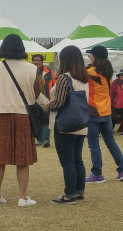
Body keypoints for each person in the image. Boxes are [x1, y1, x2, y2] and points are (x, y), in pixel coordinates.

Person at [0, 34, 41, 207]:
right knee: (23, 158)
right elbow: (36, 93)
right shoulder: (32, 69)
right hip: (23, 115)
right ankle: (23, 197)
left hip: (1, 114)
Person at [46, 45, 90, 204]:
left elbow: (59, 102)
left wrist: (47, 106)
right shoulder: (84, 77)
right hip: (81, 123)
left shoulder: (65, 77)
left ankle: (69, 194)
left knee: (68, 161)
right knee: (77, 159)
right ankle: (78, 192)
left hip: (65, 124)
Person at [83, 46, 123, 183]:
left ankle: (97, 173)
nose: (90, 58)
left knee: (93, 144)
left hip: (93, 111)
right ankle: (122, 169)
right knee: (110, 142)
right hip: (106, 111)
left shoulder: (90, 72)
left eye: (91, 55)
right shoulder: (108, 72)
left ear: (95, 56)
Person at [32, 54, 56, 147]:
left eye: (38, 60)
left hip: (46, 99)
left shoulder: (49, 73)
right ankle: (39, 139)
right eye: (35, 60)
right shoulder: (29, 73)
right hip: (33, 100)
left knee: (46, 120)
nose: (36, 62)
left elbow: (55, 85)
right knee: (36, 120)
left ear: (42, 62)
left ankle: (46, 140)